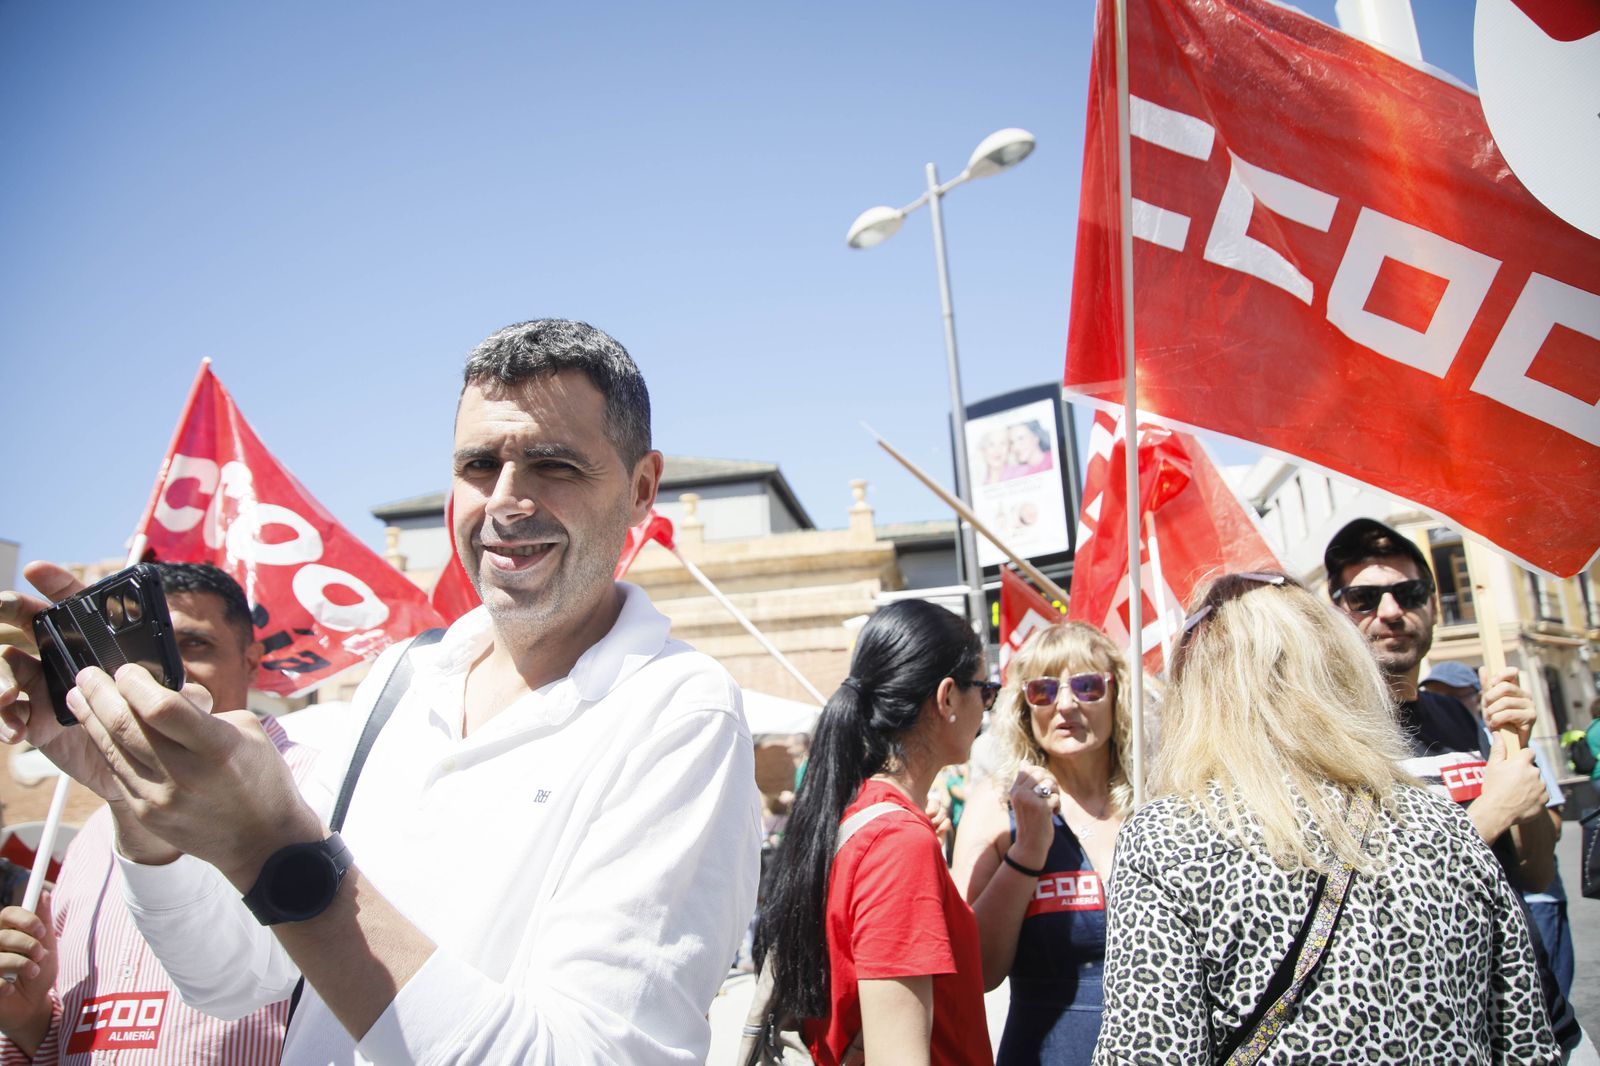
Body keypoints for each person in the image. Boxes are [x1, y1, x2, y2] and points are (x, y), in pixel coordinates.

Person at [0, 319, 762, 1064]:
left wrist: (280, 853)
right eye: (477, 465)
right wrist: (142, 810)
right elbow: (232, 981)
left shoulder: (678, 711)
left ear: (641, 489)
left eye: (554, 465)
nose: (505, 499)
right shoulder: (400, 682)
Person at [1093, 572, 1558, 1063]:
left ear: (1199, 687)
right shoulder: (1441, 816)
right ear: (1340, 666)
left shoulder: (1168, 838)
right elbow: (1525, 1039)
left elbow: (1148, 1051)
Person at [0, 563, 317, 1065]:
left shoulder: (321, 784)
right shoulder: (94, 830)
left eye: (193, 644)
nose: (164, 666)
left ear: (251, 661)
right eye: (140, 647)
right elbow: (78, 1036)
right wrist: (26, 1019)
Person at [753, 599, 999, 1066]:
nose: (987, 705)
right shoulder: (896, 842)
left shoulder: (863, 817)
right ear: (947, 698)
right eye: (985, 690)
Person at [960, 624, 1131, 1066]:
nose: (1066, 704)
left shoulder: (1157, 798)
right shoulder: (997, 806)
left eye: (1087, 686)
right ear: (1024, 707)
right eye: (1044, 690)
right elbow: (976, 971)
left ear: (1117, 695)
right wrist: (1027, 853)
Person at [1421, 660, 1576, 999]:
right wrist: (1493, 813)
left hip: (1535, 1002)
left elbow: (1538, 868)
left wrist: (1517, 745)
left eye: (1455, 696)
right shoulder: (1341, 738)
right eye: (1364, 601)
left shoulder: (1477, 729)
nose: (1389, 610)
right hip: (1445, 1014)